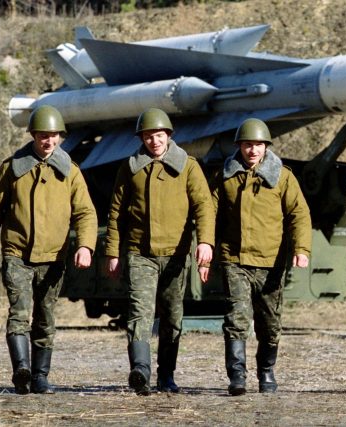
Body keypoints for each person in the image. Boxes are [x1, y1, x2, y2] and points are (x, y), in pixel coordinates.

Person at [0, 105, 98, 395]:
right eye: (44, 135)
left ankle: (41, 376)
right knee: (18, 313)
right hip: (16, 253)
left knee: (46, 316)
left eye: (54, 136)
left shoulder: (70, 172)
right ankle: (22, 369)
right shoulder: (12, 168)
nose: (49, 141)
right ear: (33, 135)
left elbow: (85, 213)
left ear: (61, 137)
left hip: (54, 255)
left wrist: (85, 246)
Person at [105, 108, 214, 395]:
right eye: (148, 136)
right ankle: (140, 370)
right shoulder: (130, 167)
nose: (154, 141)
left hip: (176, 255)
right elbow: (115, 213)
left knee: (172, 316)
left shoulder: (188, 166)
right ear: (141, 138)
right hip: (140, 253)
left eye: (158, 135)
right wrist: (112, 252)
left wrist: (205, 242)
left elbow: (204, 207)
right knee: (139, 312)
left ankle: (167, 375)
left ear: (168, 136)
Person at [212, 118, 312, 396]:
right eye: (247, 145)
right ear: (239, 147)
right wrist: (206, 247)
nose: (252, 150)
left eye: (257, 145)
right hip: (235, 259)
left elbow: (299, 214)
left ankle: (266, 371)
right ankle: (237, 375)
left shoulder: (283, 176)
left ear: (266, 146)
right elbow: (209, 213)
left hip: (271, 262)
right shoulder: (225, 176)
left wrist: (302, 250)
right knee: (236, 318)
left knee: (270, 323)